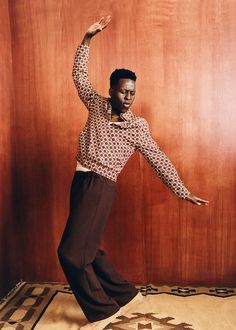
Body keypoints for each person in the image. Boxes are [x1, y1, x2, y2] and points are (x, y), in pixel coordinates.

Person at [57, 16, 208, 329]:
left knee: (71, 253)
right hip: (80, 180)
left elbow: (158, 158)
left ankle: (102, 311)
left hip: (100, 187)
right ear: (112, 89)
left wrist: (182, 190)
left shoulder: (137, 127)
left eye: (132, 93)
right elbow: (79, 77)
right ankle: (125, 296)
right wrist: (87, 39)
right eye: (123, 91)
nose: (128, 97)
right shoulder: (97, 105)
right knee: (88, 248)